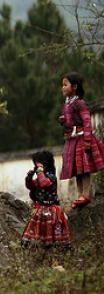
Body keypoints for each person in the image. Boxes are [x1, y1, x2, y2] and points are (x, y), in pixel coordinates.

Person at [59, 72, 104, 209]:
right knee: (77, 169)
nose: (63, 88)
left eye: (65, 85)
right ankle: (80, 195)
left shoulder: (80, 103)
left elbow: (87, 122)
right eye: (62, 85)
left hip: (81, 138)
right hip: (72, 140)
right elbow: (69, 123)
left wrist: (87, 141)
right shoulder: (66, 104)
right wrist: (63, 122)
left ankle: (86, 193)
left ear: (75, 86)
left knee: (84, 169)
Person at [21, 150, 70, 247]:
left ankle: (53, 250)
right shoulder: (40, 177)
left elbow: (44, 183)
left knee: (51, 232)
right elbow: (31, 186)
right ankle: (40, 250)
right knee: (39, 233)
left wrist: (39, 171)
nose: (35, 168)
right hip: (41, 209)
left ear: (45, 164)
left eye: (37, 165)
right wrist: (29, 178)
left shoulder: (51, 177)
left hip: (51, 210)